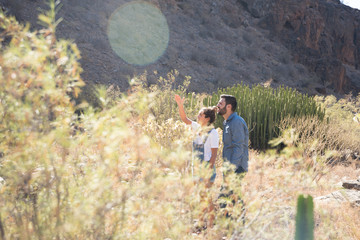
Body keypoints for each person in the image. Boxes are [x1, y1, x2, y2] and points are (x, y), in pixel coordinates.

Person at [174, 94, 219, 183]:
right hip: (197, 166)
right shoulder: (196, 127)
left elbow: (214, 154)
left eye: (200, 115)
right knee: (197, 194)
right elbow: (184, 118)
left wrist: (208, 172)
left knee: (205, 195)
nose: (197, 117)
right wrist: (180, 105)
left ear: (207, 119)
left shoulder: (213, 133)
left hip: (207, 167)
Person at [216, 94, 249, 174]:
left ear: (228, 107)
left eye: (220, 104)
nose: (217, 105)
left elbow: (238, 146)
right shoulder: (227, 122)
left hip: (237, 168)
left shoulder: (236, 122)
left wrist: (231, 168)